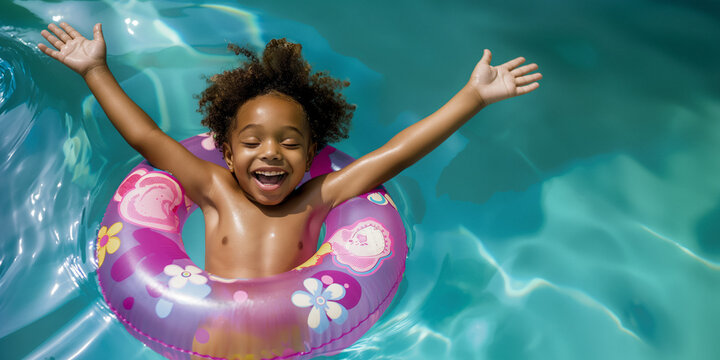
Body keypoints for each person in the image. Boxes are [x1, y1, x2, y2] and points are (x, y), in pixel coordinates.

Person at [39, 22, 541, 279]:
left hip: (293, 336)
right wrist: (94, 71)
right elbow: (146, 138)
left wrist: (473, 96)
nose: (271, 153)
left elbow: (396, 153)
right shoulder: (214, 190)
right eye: (252, 142)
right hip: (204, 333)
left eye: (289, 142)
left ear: (312, 152)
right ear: (229, 154)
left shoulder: (317, 199)